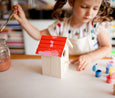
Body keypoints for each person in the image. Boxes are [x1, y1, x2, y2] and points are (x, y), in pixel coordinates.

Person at [13, 0, 113, 71]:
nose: (90, 13)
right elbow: (39, 35)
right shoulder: (61, 26)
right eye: (84, 7)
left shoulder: (95, 25)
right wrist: (24, 21)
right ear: (71, 2)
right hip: (69, 69)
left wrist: (90, 57)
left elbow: (107, 47)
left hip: (91, 68)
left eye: (95, 8)